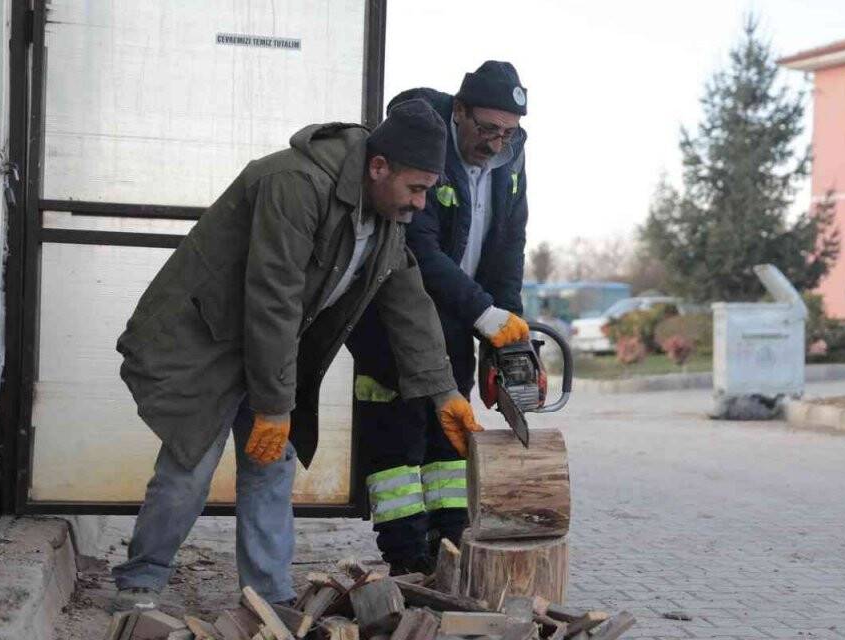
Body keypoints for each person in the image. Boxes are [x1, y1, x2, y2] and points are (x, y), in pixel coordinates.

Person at [109, 100, 481, 611]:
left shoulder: (385, 215)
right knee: (188, 467)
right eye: (415, 188)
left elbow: (408, 301)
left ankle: (268, 598)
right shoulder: (296, 184)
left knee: (270, 470)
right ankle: (140, 584)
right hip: (207, 340)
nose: (420, 203)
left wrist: (445, 392)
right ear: (378, 167)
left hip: (271, 346)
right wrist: (274, 406)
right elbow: (273, 295)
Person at [347, 61, 531, 573]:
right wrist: (484, 311)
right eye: (487, 129)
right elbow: (415, 248)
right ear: (459, 111)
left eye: (509, 133)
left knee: (449, 442)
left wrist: (507, 329)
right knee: (398, 446)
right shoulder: (425, 148)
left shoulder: (510, 163)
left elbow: (508, 247)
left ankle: (448, 552)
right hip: (393, 322)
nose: (496, 143)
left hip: (461, 321)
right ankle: (406, 560)